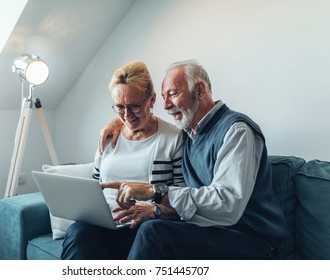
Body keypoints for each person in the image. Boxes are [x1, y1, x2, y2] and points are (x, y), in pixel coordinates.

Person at [100, 59, 289, 259]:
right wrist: (119, 123)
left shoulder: (237, 131)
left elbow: (227, 204)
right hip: (210, 231)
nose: (166, 105)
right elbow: (149, 122)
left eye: (173, 94)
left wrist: (153, 191)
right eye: (164, 97)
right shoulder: (190, 134)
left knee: (154, 233)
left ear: (199, 91)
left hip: (251, 238)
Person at [61, 61, 185, 260]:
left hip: (145, 225)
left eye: (134, 106)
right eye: (119, 107)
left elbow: (184, 198)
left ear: (152, 100)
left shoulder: (174, 138)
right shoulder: (109, 136)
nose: (127, 116)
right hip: (104, 223)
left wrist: (154, 210)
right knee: (78, 232)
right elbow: (94, 186)